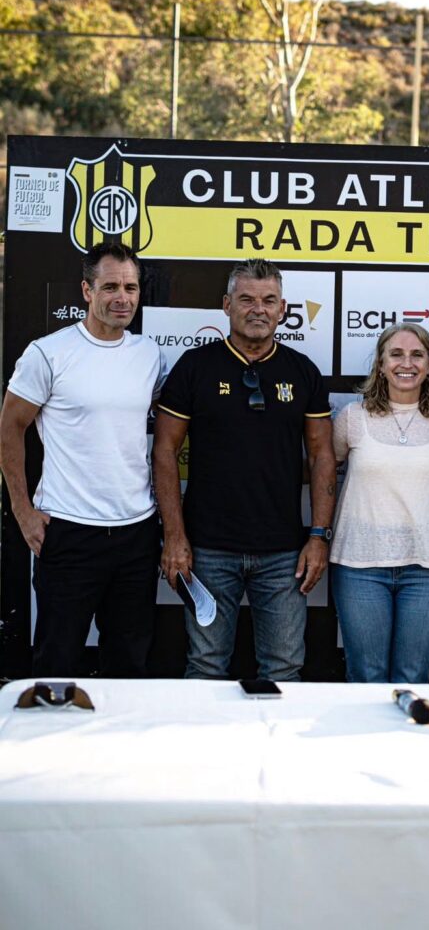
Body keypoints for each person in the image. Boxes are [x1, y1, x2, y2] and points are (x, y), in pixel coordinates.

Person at [152, 258, 336, 682]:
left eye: (269, 300)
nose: (258, 309)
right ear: (226, 305)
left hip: (284, 554)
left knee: (285, 668)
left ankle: (276, 750)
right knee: (205, 664)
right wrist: (175, 537)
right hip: (208, 550)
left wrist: (319, 536)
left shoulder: (302, 371)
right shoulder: (194, 367)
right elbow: (164, 452)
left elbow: (323, 455)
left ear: (283, 309)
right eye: (247, 299)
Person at [0, 242, 165, 677]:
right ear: (86, 291)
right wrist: (22, 510)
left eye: (131, 287)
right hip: (69, 534)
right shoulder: (48, 353)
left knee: (128, 664)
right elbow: (9, 427)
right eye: (110, 286)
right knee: (56, 660)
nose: (122, 297)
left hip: (137, 533)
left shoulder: (149, 355)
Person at [331, 324, 429, 682]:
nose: (406, 363)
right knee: (366, 676)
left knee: (413, 676)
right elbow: (322, 475)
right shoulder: (352, 419)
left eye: (417, 354)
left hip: (428, 569)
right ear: (380, 364)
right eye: (396, 354)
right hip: (360, 567)